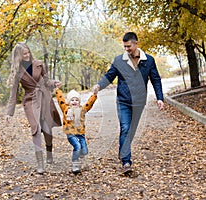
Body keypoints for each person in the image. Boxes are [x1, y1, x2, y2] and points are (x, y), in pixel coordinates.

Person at [93, 32, 164, 174]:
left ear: (136, 43)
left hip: (139, 102)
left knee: (131, 131)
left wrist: (160, 97)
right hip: (123, 100)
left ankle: (123, 151)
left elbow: (155, 79)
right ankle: (126, 161)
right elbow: (110, 75)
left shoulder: (148, 60)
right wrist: (99, 85)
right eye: (124, 47)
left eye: (129, 46)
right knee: (125, 128)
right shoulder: (120, 60)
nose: (126, 49)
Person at [6, 42, 62, 174]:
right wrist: (10, 113)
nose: (27, 55)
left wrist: (54, 83)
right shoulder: (17, 71)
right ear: (18, 56)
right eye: (23, 54)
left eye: (28, 52)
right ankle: (40, 164)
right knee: (35, 129)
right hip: (30, 101)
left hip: (44, 98)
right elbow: (13, 94)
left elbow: (47, 82)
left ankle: (49, 152)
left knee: (47, 129)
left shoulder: (38, 63)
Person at [55, 87, 97, 173]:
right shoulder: (66, 109)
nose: (74, 101)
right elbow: (60, 100)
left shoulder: (82, 110)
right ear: (69, 102)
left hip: (81, 134)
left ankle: (79, 156)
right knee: (77, 146)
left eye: (76, 100)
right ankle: (75, 164)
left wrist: (94, 95)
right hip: (70, 133)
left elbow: (89, 104)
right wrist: (57, 90)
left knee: (84, 151)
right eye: (72, 100)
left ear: (79, 102)